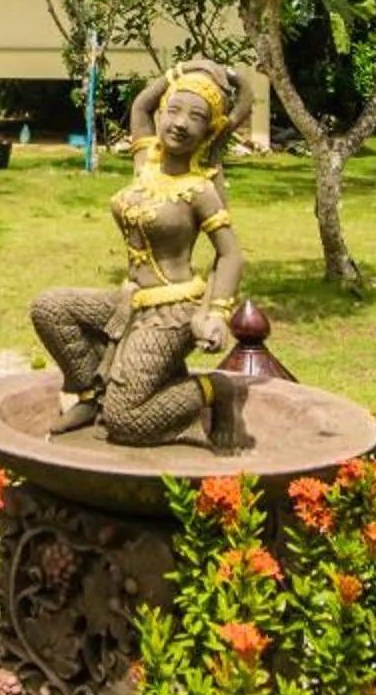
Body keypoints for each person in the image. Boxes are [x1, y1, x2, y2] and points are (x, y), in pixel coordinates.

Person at [28, 60, 258, 450]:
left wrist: (215, 314)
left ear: (209, 130)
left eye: (196, 117)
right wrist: (185, 68)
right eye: (174, 110)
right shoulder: (146, 160)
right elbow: (140, 105)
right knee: (50, 309)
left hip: (173, 312)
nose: (181, 123)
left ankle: (214, 389)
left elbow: (231, 255)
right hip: (130, 302)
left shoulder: (199, 189)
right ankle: (91, 396)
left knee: (127, 420)